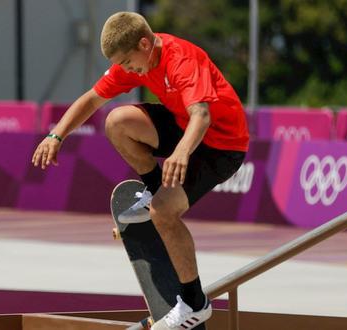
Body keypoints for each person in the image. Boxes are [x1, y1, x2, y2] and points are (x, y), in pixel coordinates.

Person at [31, 12, 249, 330]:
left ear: (144, 44)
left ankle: (194, 303)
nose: (127, 69)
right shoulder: (138, 59)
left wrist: (180, 154)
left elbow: (201, 115)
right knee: (117, 122)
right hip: (182, 126)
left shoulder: (181, 59)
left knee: (163, 212)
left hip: (222, 147)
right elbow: (93, 99)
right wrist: (56, 134)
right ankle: (152, 187)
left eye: (128, 62)